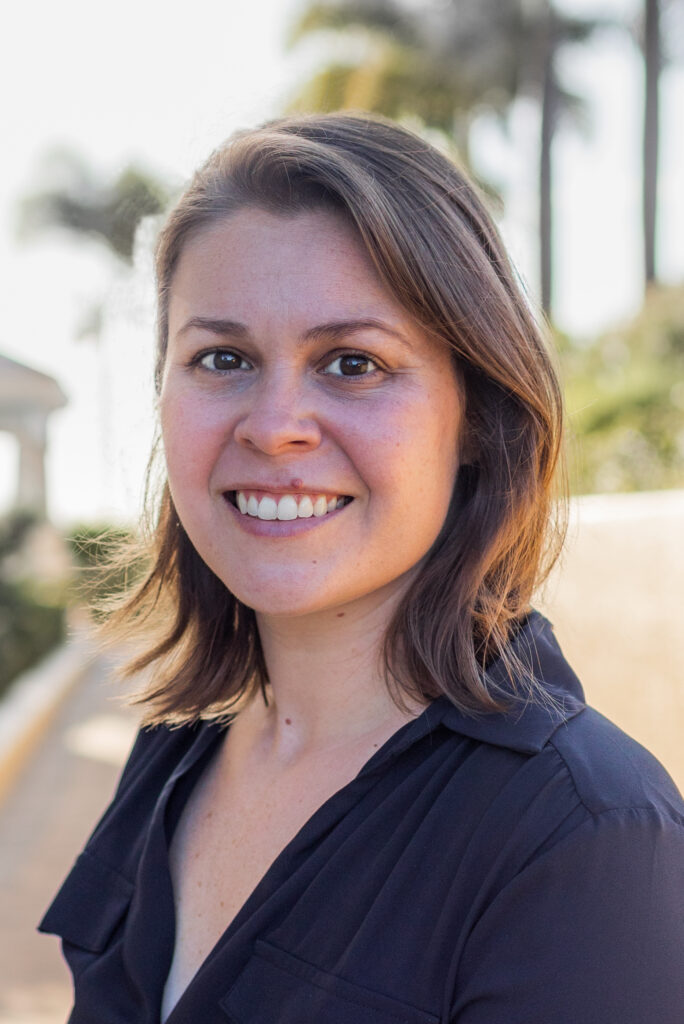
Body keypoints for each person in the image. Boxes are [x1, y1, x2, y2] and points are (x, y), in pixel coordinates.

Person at [39, 113, 684, 1024]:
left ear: (478, 418)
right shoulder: (174, 756)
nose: (274, 425)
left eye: (352, 363)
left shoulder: (584, 836)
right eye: (222, 358)